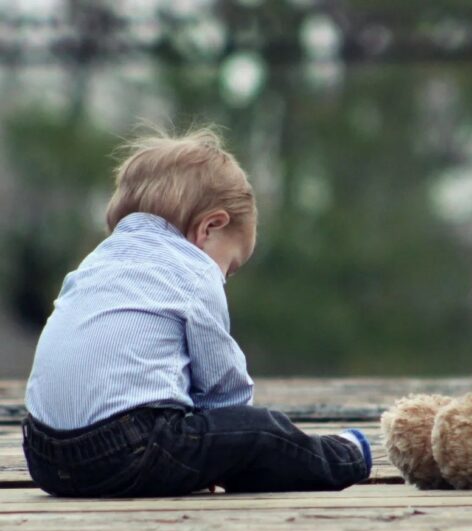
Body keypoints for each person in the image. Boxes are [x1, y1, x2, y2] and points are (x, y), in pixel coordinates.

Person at [21, 127, 371, 497]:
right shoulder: (193, 270)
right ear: (209, 227)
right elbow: (223, 389)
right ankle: (346, 455)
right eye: (230, 267)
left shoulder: (94, 263)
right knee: (263, 432)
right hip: (127, 452)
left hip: (44, 457)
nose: (224, 277)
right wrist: (232, 439)